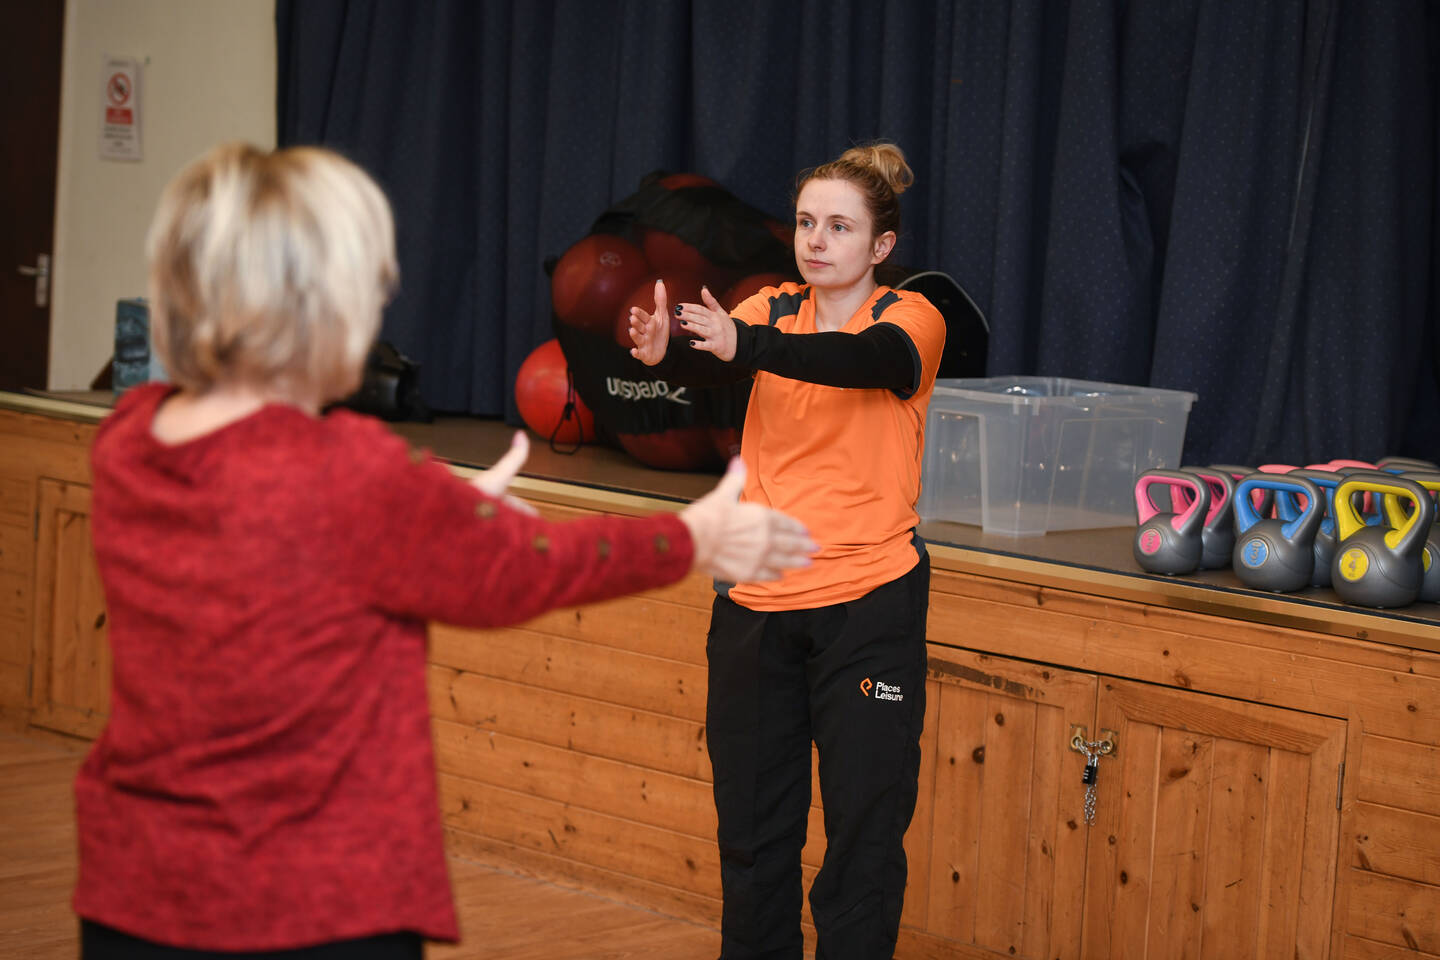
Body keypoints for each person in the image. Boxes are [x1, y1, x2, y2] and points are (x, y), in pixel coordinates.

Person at [74, 142, 816, 959]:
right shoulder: (351, 472)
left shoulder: (129, 438)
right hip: (311, 904)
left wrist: (435, 513)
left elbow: (283, 542)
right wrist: (693, 537)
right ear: (317, 305)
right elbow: (519, 570)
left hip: (135, 891)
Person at [628, 142, 947, 959]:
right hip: (756, 610)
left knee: (862, 844)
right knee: (755, 839)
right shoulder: (772, 309)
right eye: (806, 222)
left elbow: (857, 364)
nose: (815, 240)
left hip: (869, 606)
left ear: (881, 247)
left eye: (839, 227)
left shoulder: (910, 319)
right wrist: (672, 351)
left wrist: (743, 347)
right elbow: (724, 358)